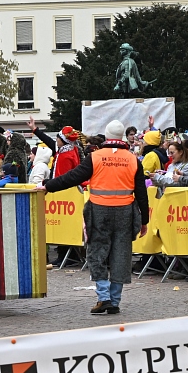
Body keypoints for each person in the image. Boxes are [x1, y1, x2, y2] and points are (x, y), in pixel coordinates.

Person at [41, 119, 148, 315]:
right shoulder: (133, 159)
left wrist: (48, 186)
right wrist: (144, 221)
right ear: (122, 137)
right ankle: (114, 300)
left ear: (107, 136)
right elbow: (141, 192)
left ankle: (103, 297)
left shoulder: (95, 157)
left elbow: (73, 177)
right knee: (121, 254)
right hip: (125, 212)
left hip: (99, 211)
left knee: (96, 252)